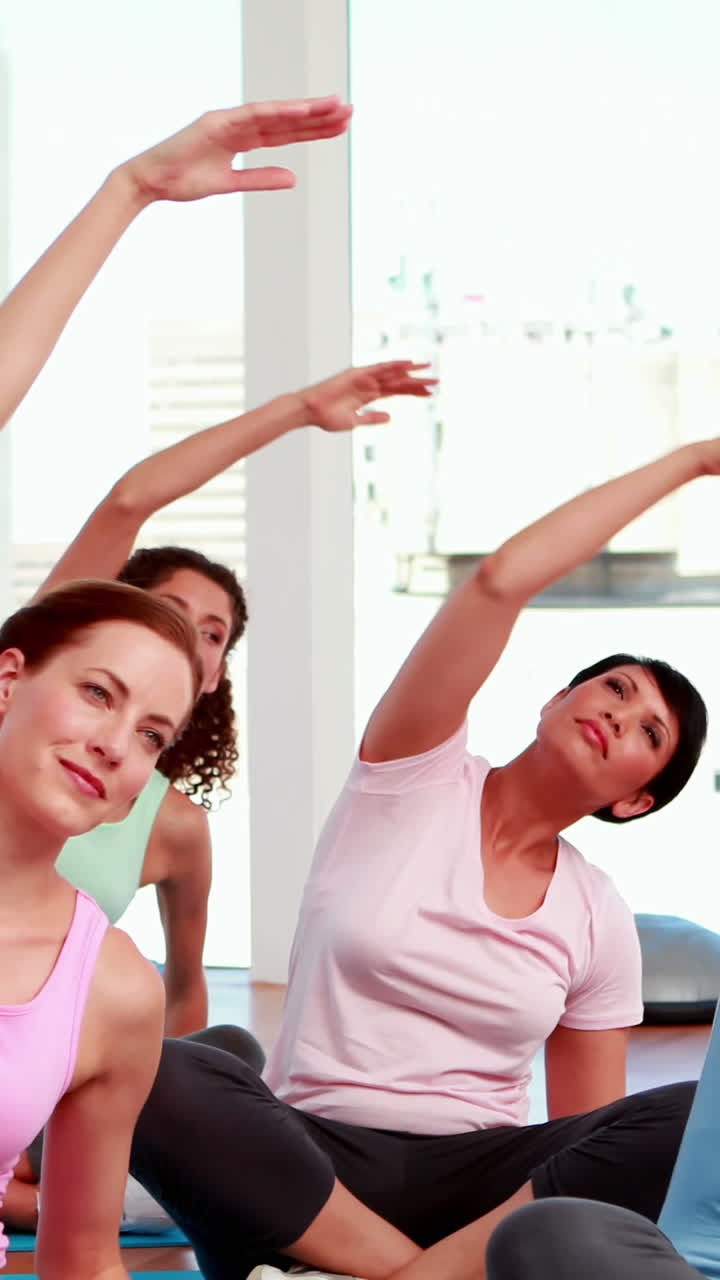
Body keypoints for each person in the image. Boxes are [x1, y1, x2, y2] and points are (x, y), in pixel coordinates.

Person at [128, 431, 717, 1280]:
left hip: (473, 1191)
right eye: (615, 688)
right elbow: (499, 581)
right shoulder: (409, 775)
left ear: (634, 799)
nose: (621, 714)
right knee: (156, 1068)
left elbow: (585, 1158)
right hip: (305, 1173)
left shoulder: (598, 917)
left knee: (695, 1116)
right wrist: (694, 463)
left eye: (649, 731)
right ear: (559, 697)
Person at [0, 577, 202, 1278]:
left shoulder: (113, 989)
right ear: (8, 680)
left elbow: (84, 1260)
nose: (118, 746)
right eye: (97, 694)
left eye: (151, 735)